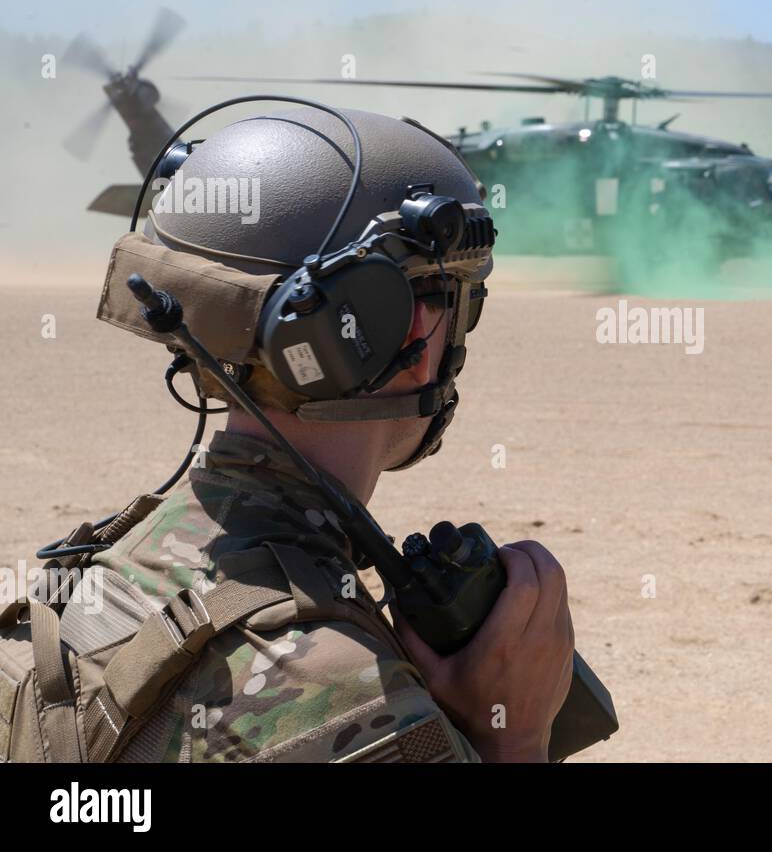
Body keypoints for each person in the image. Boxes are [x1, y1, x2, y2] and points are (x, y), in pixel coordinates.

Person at [73, 105, 573, 762]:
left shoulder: (77, 586)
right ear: (412, 341)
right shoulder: (353, 704)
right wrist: (514, 735)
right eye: (462, 308)